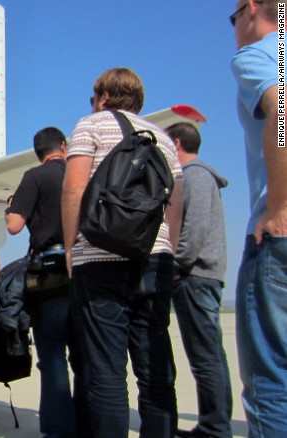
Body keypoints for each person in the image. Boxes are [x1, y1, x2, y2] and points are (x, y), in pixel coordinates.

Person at [61, 67, 184, 437]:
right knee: (155, 370)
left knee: (107, 372)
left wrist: (70, 250)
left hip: (99, 258)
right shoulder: (162, 137)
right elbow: (175, 203)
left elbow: (73, 190)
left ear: (102, 96)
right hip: (154, 258)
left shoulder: (91, 125)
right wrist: (169, 251)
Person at [5, 127, 90, 438]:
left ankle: (58, 430)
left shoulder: (34, 177)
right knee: (83, 356)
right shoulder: (81, 172)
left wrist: (10, 206)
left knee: (52, 356)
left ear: (38, 153)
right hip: (83, 269)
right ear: (64, 147)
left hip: (48, 275)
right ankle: (87, 424)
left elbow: (14, 226)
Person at [230, 1, 285, 435]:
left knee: (270, 382)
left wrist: (280, 205)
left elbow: (281, 110)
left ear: (250, 8)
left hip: (278, 239)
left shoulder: (263, 53)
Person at [165, 122, 233, 438]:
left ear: (176, 143)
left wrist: (176, 266)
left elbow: (193, 230)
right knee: (210, 356)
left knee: (206, 358)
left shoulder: (194, 177)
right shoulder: (199, 177)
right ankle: (214, 424)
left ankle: (215, 428)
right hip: (201, 276)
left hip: (195, 277)